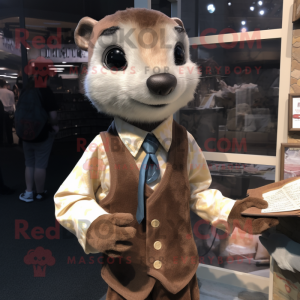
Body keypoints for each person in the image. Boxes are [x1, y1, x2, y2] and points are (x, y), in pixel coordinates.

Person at [18, 76, 59, 202]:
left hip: (25, 132)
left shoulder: (25, 91)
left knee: (29, 163)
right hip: (42, 132)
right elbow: (53, 114)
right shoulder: (46, 92)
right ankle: (40, 193)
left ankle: (29, 192)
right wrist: (55, 126)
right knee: (40, 164)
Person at [0, 79, 15, 145]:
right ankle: (10, 142)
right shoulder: (10, 92)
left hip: (1, 113)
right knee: (9, 129)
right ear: (5, 84)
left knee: (1, 129)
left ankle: (1, 142)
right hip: (9, 113)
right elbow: (12, 104)